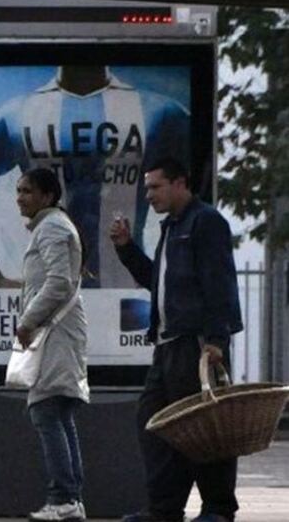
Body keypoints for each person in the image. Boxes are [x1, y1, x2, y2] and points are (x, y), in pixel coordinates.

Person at [109, 157, 243, 522]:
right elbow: (158, 283)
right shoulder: (172, 227)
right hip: (167, 346)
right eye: (148, 187)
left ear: (180, 183)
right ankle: (164, 509)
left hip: (197, 344)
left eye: (155, 186)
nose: (149, 195)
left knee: (206, 428)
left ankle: (217, 508)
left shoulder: (206, 222)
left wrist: (217, 339)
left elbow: (220, 282)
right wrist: (126, 248)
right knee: (154, 423)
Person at [0, 65, 190, 289]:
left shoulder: (161, 112)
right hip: (47, 299)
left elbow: (197, 205)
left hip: (129, 298)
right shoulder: (16, 114)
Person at [14, 168, 90, 522]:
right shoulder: (49, 227)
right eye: (18, 191)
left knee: (46, 409)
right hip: (57, 332)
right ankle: (69, 498)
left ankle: (64, 498)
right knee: (57, 410)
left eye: (27, 191)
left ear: (47, 196)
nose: (20, 197)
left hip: (55, 333)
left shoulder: (53, 228)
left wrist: (28, 320)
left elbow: (58, 282)